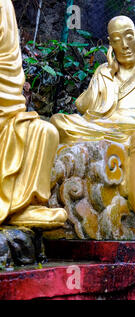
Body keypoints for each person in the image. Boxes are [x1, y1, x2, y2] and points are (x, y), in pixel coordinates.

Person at [51, 16, 135, 228]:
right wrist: (108, 76)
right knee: (58, 122)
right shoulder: (105, 70)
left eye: (128, 36)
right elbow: (83, 106)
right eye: (116, 39)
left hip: (132, 130)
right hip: (100, 126)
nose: (124, 45)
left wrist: (111, 120)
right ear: (110, 44)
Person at [0, 0, 67, 229]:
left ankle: (25, 206)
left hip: (6, 108)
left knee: (45, 131)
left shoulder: (3, 6)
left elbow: (9, 67)